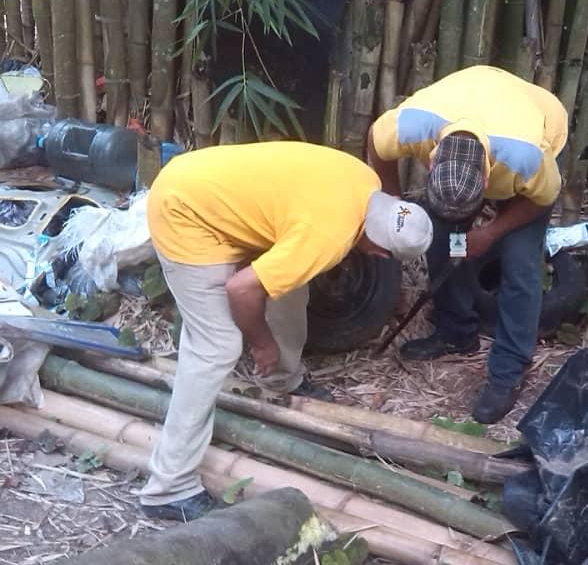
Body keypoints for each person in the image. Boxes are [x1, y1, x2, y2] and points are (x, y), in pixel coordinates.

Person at [142, 142, 433, 521]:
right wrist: (261, 343)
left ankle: (284, 380)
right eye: (384, 255)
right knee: (216, 347)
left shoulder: (366, 181)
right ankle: (169, 487)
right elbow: (241, 289)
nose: (379, 260)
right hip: (185, 211)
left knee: (293, 281)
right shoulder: (328, 235)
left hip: (208, 181)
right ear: (379, 249)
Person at [367, 65, 568, 424]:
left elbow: (542, 198)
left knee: (520, 264)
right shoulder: (408, 126)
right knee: (443, 237)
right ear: (431, 163)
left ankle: (509, 371)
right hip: (470, 101)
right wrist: (396, 207)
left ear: (488, 178)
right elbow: (376, 146)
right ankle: (456, 331)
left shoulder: (527, 160)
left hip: (534, 122)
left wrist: (490, 232)